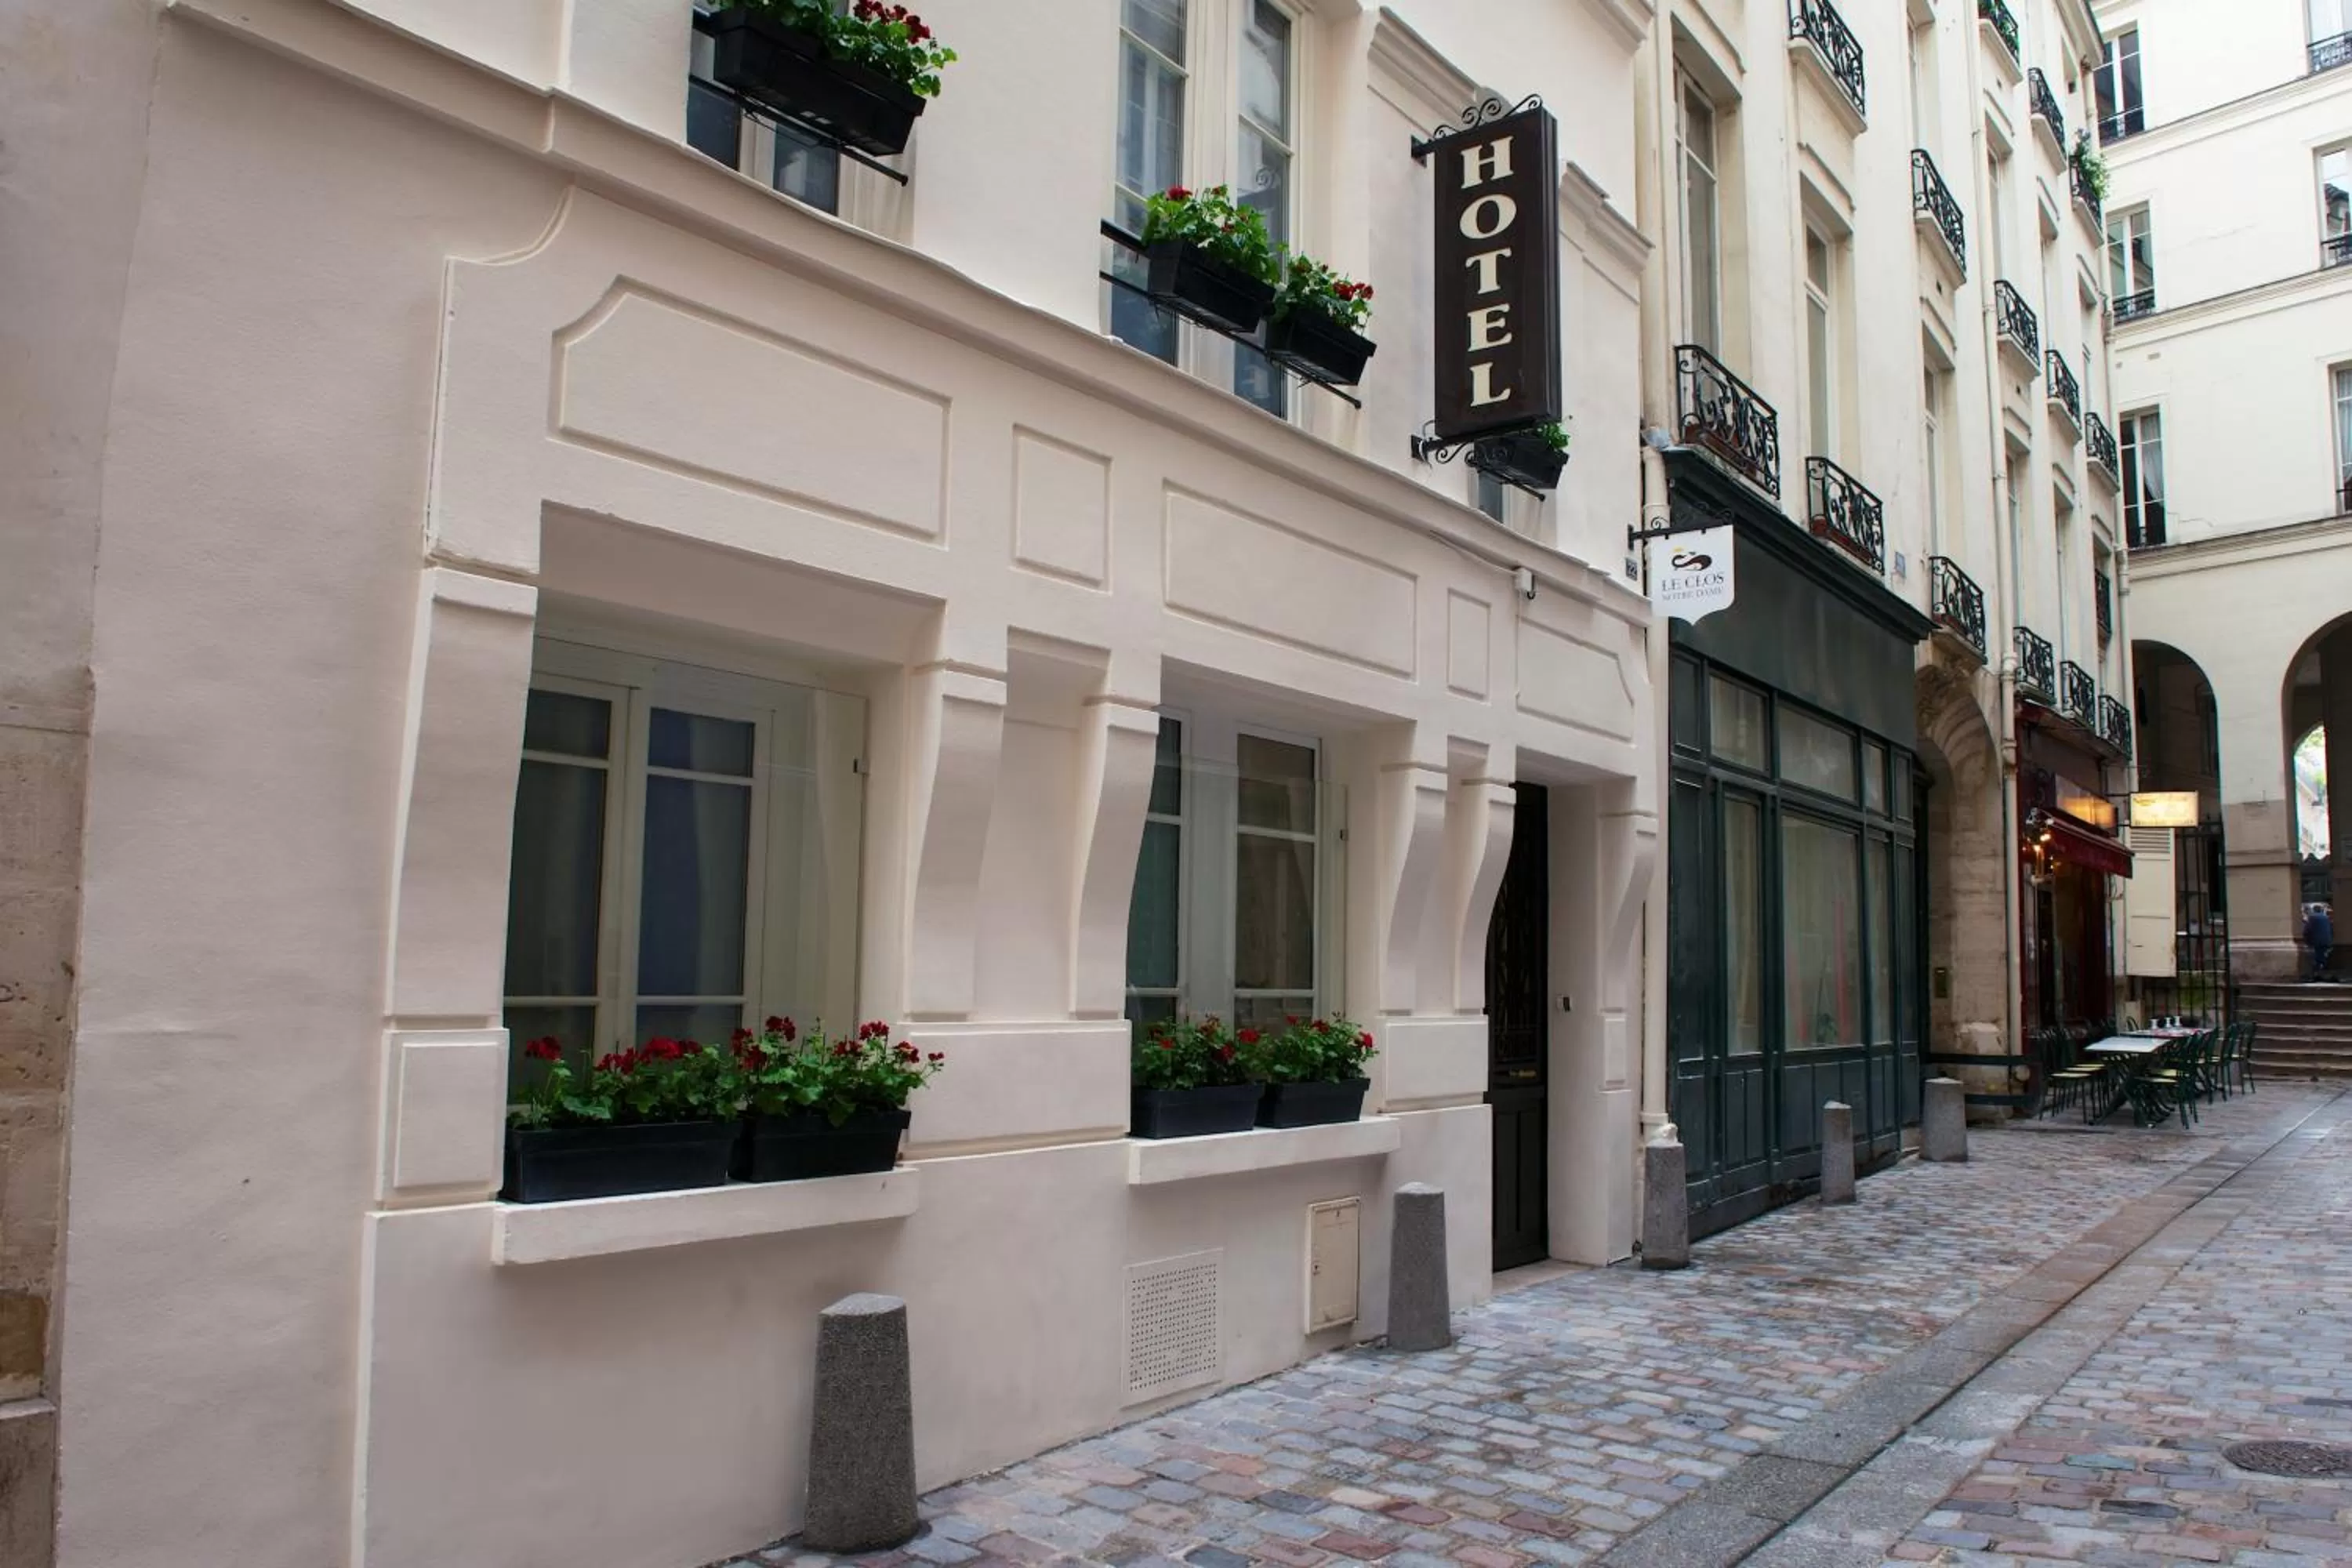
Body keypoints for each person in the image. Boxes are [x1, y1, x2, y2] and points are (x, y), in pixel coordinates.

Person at [2306, 902, 2336, 982]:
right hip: (2326, 941)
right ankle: (2321, 971)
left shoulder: (2312, 918)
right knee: (2322, 956)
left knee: (2317, 957)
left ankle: (2317, 974)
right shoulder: (2326, 918)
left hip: (2317, 941)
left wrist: (2307, 940)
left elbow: (2308, 929)